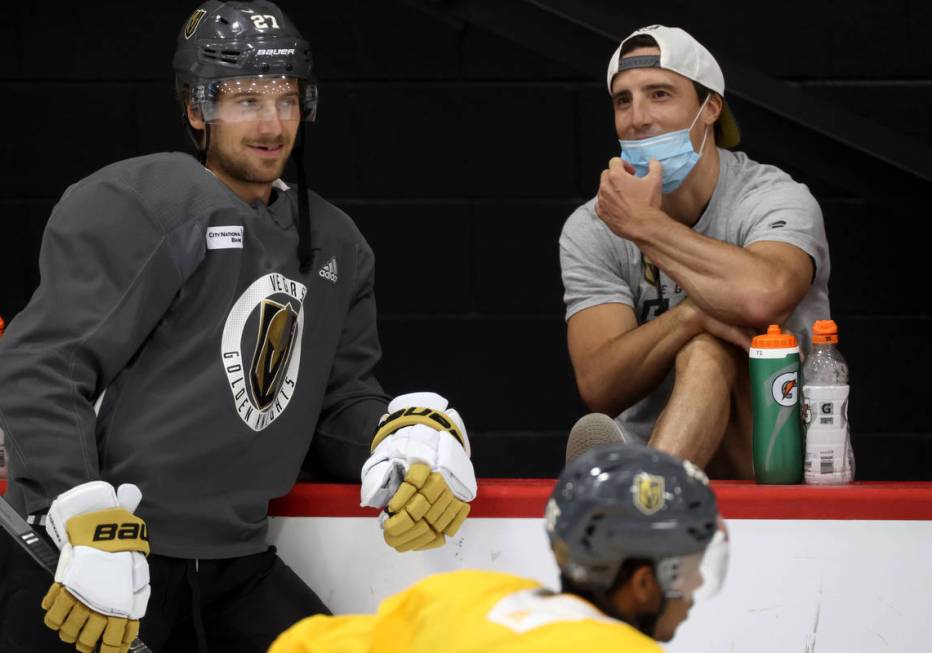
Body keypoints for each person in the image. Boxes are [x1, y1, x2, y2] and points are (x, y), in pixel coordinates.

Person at [0, 2, 475, 652]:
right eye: (246, 100)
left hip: (231, 568)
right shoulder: (145, 203)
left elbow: (334, 402)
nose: (272, 123)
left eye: (287, 99)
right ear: (197, 109)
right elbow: (39, 369)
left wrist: (403, 434)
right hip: (87, 549)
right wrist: (79, 506)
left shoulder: (335, 243)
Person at [559, 25, 831, 478]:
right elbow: (600, 386)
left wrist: (645, 227)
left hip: (770, 456)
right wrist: (693, 315)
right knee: (704, 335)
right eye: (622, 100)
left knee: (711, 349)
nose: (637, 117)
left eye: (659, 94)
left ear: (710, 108)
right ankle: (646, 484)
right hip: (660, 440)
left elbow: (764, 296)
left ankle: (641, 503)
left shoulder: (772, 197)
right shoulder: (593, 226)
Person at [269, 443, 729, 652]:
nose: (697, 583)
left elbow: (304, 645)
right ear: (645, 582)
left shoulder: (466, 595)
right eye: (687, 568)